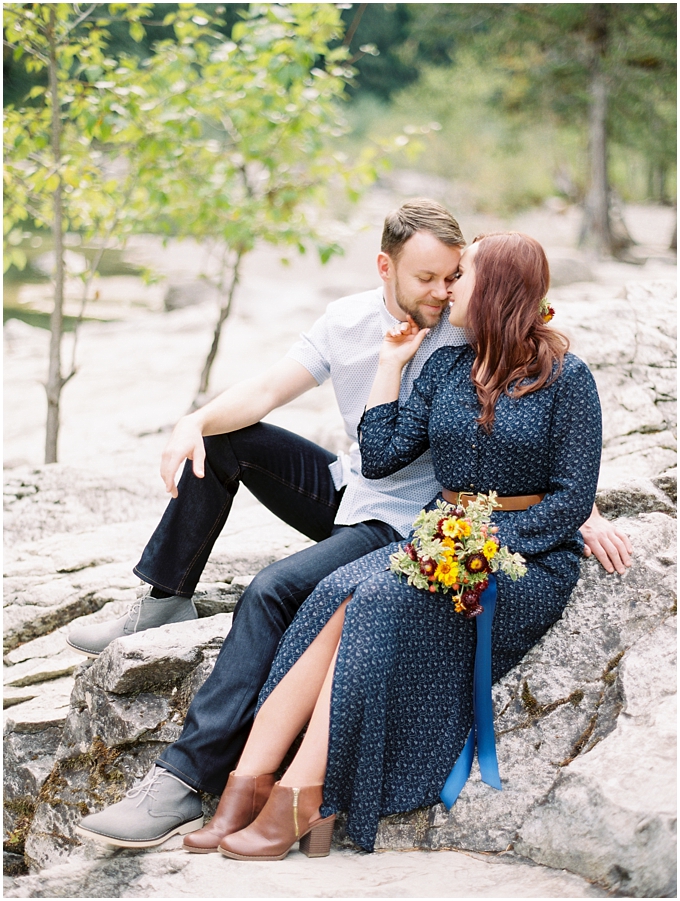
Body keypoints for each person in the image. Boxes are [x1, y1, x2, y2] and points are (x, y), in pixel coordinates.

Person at [75, 204, 629, 851]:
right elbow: (310, 415)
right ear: (385, 267)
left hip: (421, 529)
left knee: (280, 590)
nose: (444, 290)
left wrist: (575, 513)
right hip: (364, 497)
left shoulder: (480, 342)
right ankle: (167, 602)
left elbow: (541, 451)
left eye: (455, 276)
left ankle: (216, 784)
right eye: (429, 277)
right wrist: (192, 419)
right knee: (226, 442)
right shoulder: (367, 327)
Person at [210, 232, 604, 860]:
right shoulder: (447, 367)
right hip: (441, 539)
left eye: (461, 275)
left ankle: (302, 796)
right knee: (336, 592)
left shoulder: (566, 378)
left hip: (524, 560)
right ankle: (247, 785)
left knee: (376, 603)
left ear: (496, 289)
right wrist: (391, 365)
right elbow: (382, 454)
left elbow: (571, 497)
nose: (449, 289)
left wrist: (481, 547)